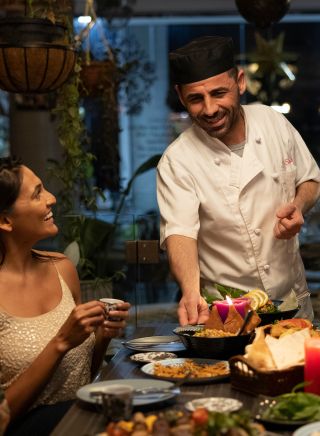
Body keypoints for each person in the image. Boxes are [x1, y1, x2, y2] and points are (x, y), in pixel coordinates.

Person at [157, 35, 320, 326]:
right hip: (227, 314)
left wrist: (298, 205)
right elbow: (180, 232)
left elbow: (310, 179)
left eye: (219, 93)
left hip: (292, 302)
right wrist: (190, 291)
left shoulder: (273, 122)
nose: (209, 109)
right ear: (181, 97)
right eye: (196, 98)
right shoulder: (177, 159)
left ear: (240, 82)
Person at [0, 157, 130, 435]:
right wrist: (61, 342)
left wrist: (102, 334)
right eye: (37, 194)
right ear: (5, 220)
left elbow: (83, 375)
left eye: (44, 188)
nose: (51, 199)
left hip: (82, 422)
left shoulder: (62, 268)